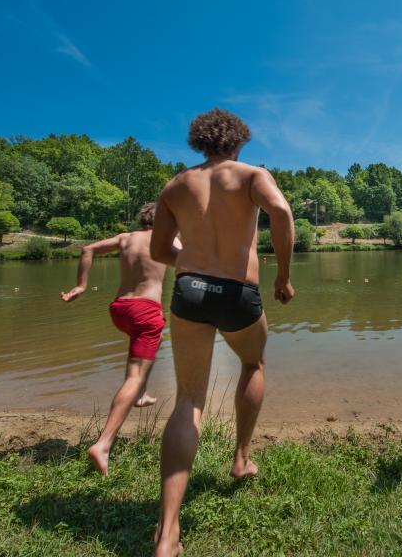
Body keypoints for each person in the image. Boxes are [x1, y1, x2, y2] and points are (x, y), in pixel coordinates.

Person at [150, 108, 295, 557]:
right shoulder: (252, 174)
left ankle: (168, 532)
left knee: (188, 400)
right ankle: (241, 458)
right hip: (239, 293)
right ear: (238, 142)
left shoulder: (175, 185)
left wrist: (195, 268)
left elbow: (159, 250)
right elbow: (282, 212)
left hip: (188, 292)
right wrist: (283, 278)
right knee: (253, 363)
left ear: (200, 142)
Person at [61, 202, 178, 476]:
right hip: (147, 310)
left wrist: (81, 285)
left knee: (142, 350)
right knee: (135, 373)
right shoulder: (167, 239)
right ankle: (103, 444)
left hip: (120, 309)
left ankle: (141, 393)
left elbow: (87, 248)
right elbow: (196, 260)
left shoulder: (126, 238)